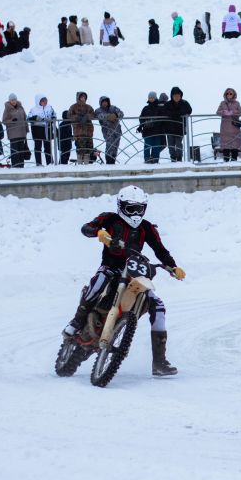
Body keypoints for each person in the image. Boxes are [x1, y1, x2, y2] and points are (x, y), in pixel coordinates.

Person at [62, 186, 187, 377]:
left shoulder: (147, 227)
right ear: (121, 206)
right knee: (99, 281)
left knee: (158, 306)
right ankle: (77, 322)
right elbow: (86, 228)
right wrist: (98, 232)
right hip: (110, 267)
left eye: (139, 209)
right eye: (131, 208)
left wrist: (173, 267)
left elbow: (160, 250)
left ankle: (159, 362)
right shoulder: (109, 219)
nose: (135, 213)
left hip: (134, 272)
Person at [163, 87, 191, 162]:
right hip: (169, 128)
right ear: (172, 96)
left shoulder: (185, 103)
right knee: (171, 146)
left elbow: (189, 110)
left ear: (181, 95)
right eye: (175, 95)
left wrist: (176, 113)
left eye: (178, 95)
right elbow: (164, 112)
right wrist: (176, 114)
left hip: (180, 128)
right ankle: (173, 158)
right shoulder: (167, 104)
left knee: (179, 145)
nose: (176, 97)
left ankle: (179, 159)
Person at [216, 88, 241, 162]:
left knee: (235, 146)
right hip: (225, 128)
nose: (229, 95)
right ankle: (226, 163)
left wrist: (233, 112)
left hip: (235, 128)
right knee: (226, 147)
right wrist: (224, 112)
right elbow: (217, 112)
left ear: (234, 94)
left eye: (230, 93)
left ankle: (234, 163)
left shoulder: (237, 103)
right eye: (227, 93)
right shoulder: (222, 103)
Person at [27, 94, 56, 166]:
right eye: (43, 101)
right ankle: (38, 164)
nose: (44, 102)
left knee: (48, 148)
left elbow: (54, 115)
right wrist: (35, 118)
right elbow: (28, 119)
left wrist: (51, 119)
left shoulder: (49, 107)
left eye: (45, 100)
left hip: (47, 130)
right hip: (37, 131)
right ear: (38, 101)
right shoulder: (33, 110)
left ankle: (50, 163)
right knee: (38, 148)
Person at [94, 96, 125, 164]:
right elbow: (99, 116)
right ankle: (108, 163)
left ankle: (113, 162)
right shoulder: (98, 110)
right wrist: (109, 116)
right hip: (107, 132)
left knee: (115, 147)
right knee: (109, 147)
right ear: (100, 103)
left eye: (106, 101)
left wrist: (116, 115)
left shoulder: (113, 108)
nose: (105, 103)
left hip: (117, 131)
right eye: (103, 102)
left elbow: (121, 114)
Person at [137, 92, 165, 163]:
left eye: (152, 97)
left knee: (156, 146)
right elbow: (141, 118)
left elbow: (161, 118)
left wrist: (153, 123)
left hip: (157, 131)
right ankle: (147, 159)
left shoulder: (159, 107)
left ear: (155, 98)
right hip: (147, 130)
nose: (151, 99)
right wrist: (141, 126)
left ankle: (155, 159)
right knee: (147, 145)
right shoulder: (145, 108)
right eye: (150, 98)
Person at [68, 92, 96, 164]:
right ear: (78, 97)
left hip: (88, 132)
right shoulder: (73, 107)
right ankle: (80, 165)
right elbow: (69, 116)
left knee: (88, 149)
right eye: (81, 97)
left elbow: (93, 115)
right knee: (80, 149)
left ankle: (86, 164)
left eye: (84, 97)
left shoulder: (89, 107)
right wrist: (77, 117)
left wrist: (87, 116)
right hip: (78, 132)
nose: (83, 98)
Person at [3, 93, 29, 167]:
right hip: (13, 134)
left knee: (21, 150)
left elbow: (25, 118)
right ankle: (15, 166)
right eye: (12, 100)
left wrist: (27, 129)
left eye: (14, 100)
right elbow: (4, 121)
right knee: (15, 151)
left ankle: (21, 165)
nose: (13, 101)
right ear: (9, 101)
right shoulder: (7, 109)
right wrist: (11, 121)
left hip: (22, 133)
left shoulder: (21, 107)